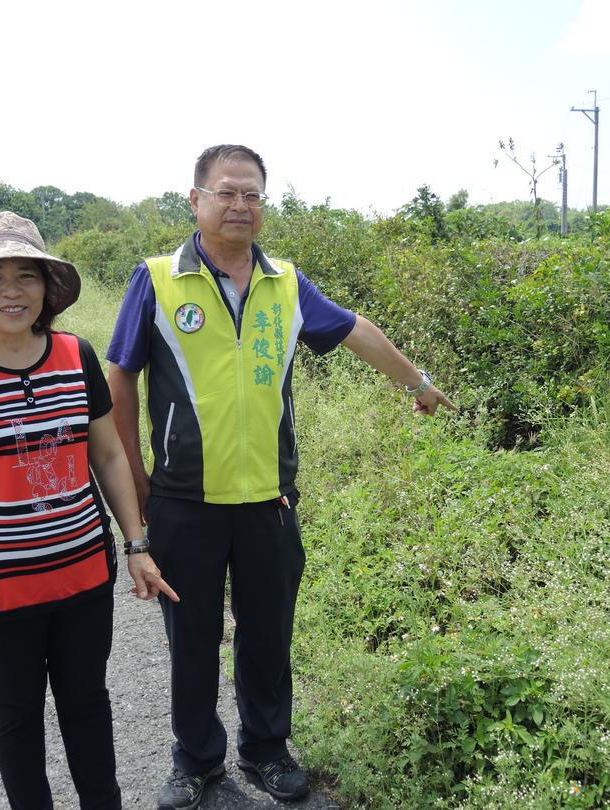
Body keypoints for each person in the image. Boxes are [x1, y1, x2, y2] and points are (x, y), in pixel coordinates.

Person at [106, 145, 455, 810]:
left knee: (268, 634)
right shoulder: (158, 278)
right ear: (197, 199)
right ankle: (196, 761)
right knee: (192, 641)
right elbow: (121, 373)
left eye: (253, 195)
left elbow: (355, 330)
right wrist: (138, 474)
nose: (241, 205)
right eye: (227, 192)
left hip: (270, 500)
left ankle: (267, 750)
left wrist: (419, 382)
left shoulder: (287, 283)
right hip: (185, 501)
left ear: (264, 203)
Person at [0, 211, 178, 810]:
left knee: (87, 702)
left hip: (84, 576)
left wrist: (136, 545)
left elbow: (107, 454)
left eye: (26, 276)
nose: (11, 292)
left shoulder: (75, 355)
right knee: (15, 715)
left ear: (46, 288)